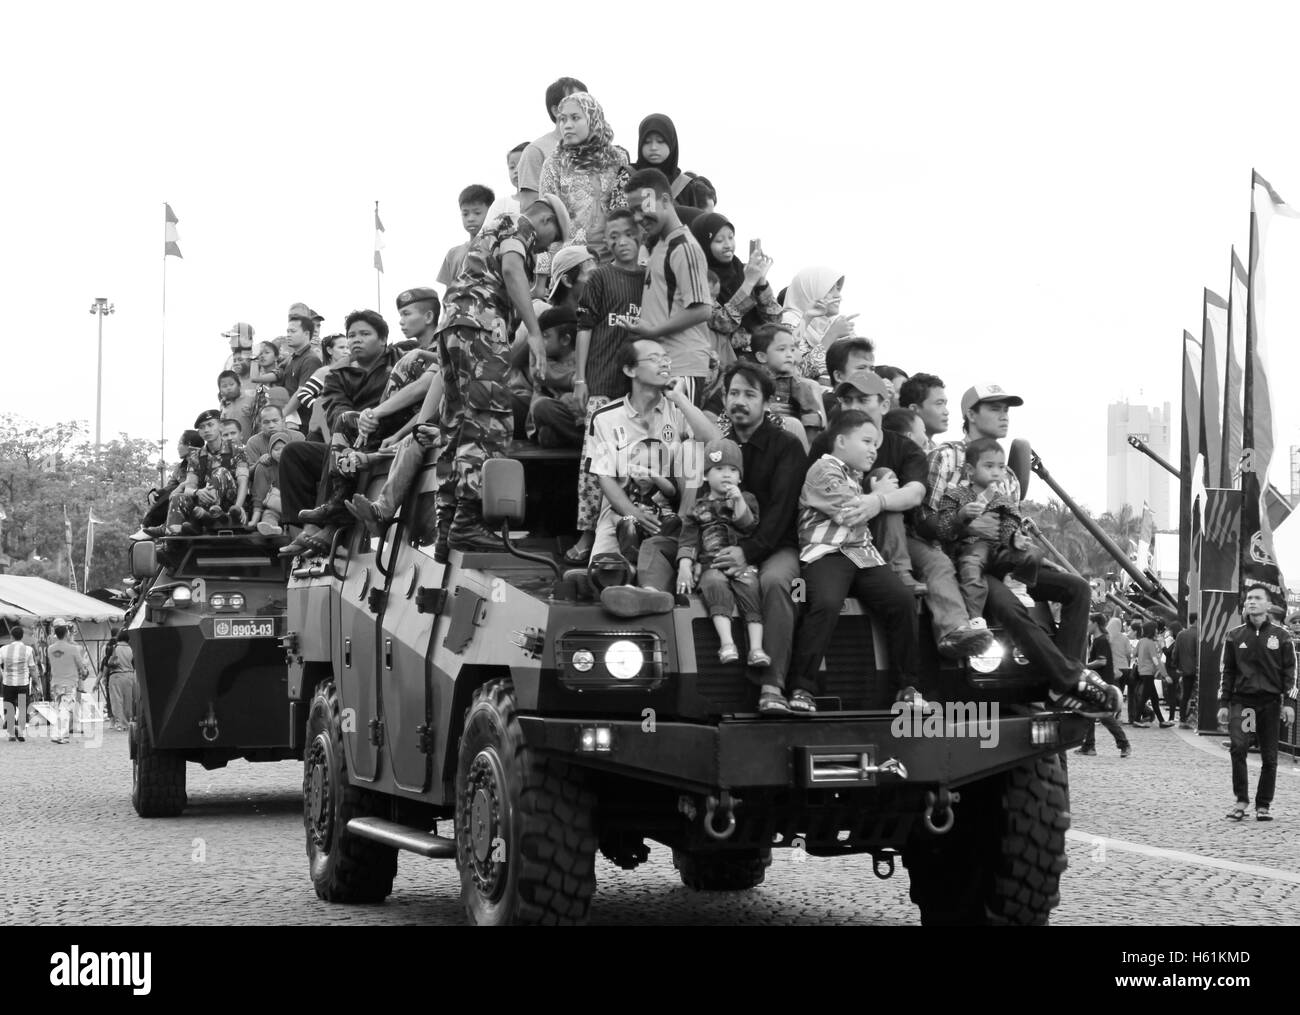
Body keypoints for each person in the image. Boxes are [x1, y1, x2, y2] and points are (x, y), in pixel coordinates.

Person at [920, 384, 1117, 716]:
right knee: (1012, 608)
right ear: (970, 415)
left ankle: (1059, 686)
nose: (1004, 416)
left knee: (1077, 588)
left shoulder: (1009, 475)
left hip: (1003, 559)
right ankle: (1072, 679)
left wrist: (1019, 539)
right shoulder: (946, 456)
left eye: (1006, 410)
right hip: (963, 560)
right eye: (995, 408)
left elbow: (1010, 521)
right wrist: (965, 526)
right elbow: (926, 520)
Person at [432, 201, 568, 556]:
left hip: (454, 327)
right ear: (545, 219)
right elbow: (511, 268)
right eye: (553, 237)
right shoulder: (517, 226)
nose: (547, 247)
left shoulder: (490, 232)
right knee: (489, 421)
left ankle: (447, 524)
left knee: (457, 423)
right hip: (482, 326)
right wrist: (535, 333)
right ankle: (468, 522)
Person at [789, 411, 921, 716]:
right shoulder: (822, 469)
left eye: (875, 443)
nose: (873, 449)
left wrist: (875, 496)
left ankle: (908, 686)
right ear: (841, 441)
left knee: (902, 601)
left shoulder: (854, 475)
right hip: (826, 552)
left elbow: (864, 509)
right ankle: (802, 687)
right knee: (825, 602)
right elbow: (850, 512)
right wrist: (880, 495)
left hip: (862, 554)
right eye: (866, 441)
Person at [586, 339, 722, 609]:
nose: (664, 363)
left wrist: (680, 398)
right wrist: (634, 514)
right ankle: (635, 580)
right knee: (602, 578)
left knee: (691, 449)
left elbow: (718, 447)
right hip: (622, 512)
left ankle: (684, 533)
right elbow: (604, 478)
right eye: (654, 358)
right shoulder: (605, 417)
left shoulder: (678, 408)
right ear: (630, 370)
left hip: (674, 511)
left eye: (665, 358)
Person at [565, 209, 645, 565]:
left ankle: (619, 539)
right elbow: (585, 327)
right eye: (613, 236)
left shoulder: (650, 280)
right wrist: (580, 378)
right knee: (594, 464)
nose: (621, 242)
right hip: (600, 381)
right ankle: (586, 534)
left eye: (628, 234)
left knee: (634, 464)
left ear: (639, 236)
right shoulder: (600, 277)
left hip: (638, 388)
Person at [624, 168, 713, 403]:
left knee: (683, 438)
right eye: (633, 211)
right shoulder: (662, 245)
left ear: (664, 200)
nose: (637, 218)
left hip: (683, 365)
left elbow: (703, 309)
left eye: (642, 208)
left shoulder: (684, 247)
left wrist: (653, 331)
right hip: (663, 364)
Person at [675, 438, 766, 666]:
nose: (727, 474)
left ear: (740, 477)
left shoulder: (747, 499)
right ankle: (727, 643)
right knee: (714, 584)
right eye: (719, 469)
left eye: (733, 470)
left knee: (752, 586)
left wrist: (738, 503)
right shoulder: (698, 507)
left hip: (742, 564)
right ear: (706, 475)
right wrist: (685, 564)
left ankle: (756, 648)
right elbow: (688, 539)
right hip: (711, 564)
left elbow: (749, 526)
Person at [933, 438, 1043, 619]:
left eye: (1001, 467)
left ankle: (1017, 583)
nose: (996, 472)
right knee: (971, 568)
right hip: (972, 547)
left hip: (999, 548)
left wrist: (1016, 538)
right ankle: (975, 616)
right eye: (989, 466)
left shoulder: (1002, 499)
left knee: (1034, 552)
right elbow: (943, 528)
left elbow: (1009, 524)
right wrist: (961, 516)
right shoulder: (955, 496)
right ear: (970, 470)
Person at [1219, 586, 1297, 821]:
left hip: (1271, 704)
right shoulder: (1235, 635)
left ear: (1267, 604)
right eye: (1249, 599)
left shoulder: (1282, 636)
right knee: (1239, 748)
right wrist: (1224, 702)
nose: (1252, 602)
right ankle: (1241, 800)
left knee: (1270, 757)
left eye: (1257, 598)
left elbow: (1291, 673)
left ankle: (1263, 805)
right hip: (1244, 704)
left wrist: (1290, 703)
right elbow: (1228, 671)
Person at [538, 92, 630, 263]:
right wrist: (542, 278)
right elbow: (546, 225)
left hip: (614, 262)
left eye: (575, 118)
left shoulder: (618, 159)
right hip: (571, 265)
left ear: (593, 119)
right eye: (563, 119)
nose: (567, 125)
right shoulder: (554, 164)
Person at [688, 213, 781, 360]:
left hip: (760, 357)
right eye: (719, 240)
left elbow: (774, 321)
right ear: (703, 244)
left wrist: (760, 283)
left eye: (731, 237)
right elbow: (722, 322)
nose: (728, 245)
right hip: (727, 361)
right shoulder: (700, 278)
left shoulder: (743, 270)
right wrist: (748, 284)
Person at [165, 409, 250, 534]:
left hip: (230, 503)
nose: (206, 430)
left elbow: (243, 482)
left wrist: (238, 507)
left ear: (220, 426)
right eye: (202, 427)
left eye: (210, 425)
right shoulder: (195, 457)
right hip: (203, 503)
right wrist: (197, 492)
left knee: (220, 471)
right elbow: (189, 488)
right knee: (178, 497)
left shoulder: (237, 451)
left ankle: (205, 516)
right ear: (199, 432)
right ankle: (173, 539)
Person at [516, 76, 589, 209]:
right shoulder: (536, 151)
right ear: (556, 110)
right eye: (576, 101)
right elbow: (531, 209)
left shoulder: (600, 149)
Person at [749, 324, 826, 439]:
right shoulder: (749, 380)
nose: (790, 355)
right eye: (782, 349)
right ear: (762, 357)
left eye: (792, 349)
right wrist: (766, 410)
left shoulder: (797, 384)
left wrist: (806, 447)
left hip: (787, 441)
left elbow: (811, 417)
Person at [781, 267, 858, 381]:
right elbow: (795, 371)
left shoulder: (833, 324)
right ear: (810, 291)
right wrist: (832, 335)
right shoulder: (790, 322)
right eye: (830, 290)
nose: (838, 296)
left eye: (838, 289)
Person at [1077, 614, 1132, 758]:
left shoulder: (1100, 641)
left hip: (1102, 683)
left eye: (1088, 622)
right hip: (1098, 682)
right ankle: (1089, 746)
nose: (1087, 625)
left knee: (1105, 716)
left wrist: (1084, 666)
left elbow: (1102, 661)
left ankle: (1124, 744)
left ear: (1095, 624)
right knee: (1089, 712)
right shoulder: (1099, 639)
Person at [632, 113, 714, 209]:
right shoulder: (628, 176)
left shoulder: (684, 186)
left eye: (660, 141)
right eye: (647, 142)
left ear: (671, 143)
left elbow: (692, 222)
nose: (653, 147)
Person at [285, 332, 350, 440]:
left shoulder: (351, 371)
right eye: (341, 347)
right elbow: (303, 394)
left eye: (348, 347)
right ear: (329, 350)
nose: (346, 351)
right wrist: (323, 407)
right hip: (322, 431)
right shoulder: (325, 371)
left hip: (343, 428)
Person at [139, 430, 206, 533]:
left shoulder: (204, 461)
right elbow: (169, 487)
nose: (177, 447)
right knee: (161, 493)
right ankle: (147, 525)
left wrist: (181, 486)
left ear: (189, 445)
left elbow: (198, 484)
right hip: (175, 500)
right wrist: (154, 493)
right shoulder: (180, 468)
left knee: (175, 492)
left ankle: (148, 524)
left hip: (194, 500)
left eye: (179, 443)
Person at [438, 185, 496, 289]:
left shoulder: (497, 250)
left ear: (491, 212)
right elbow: (449, 292)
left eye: (477, 213)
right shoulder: (453, 254)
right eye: (465, 214)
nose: (470, 219)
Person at [46, 624, 90, 744]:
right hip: (69, 682)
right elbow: (81, 666)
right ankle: (62, 735)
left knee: (58, 708)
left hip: (55, 682)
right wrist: (84, 672)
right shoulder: (73, 649)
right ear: (67, 634)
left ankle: (56, 733)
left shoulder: (50, 649)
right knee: (65, 709)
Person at [1131, 620, 1175, 728]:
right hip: (1148, 674)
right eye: (1155, 629)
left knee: (1154, 698)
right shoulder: (1150, 643)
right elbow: (1156, 661)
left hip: (1142, 672)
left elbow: (1134, 654)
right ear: (1152, 630)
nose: (1157, 630)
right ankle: (1136, 720)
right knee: (1145, 697)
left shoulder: (1141, 641)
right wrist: (1166, 675)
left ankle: (1161, 721)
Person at [821, 337, 877, 419]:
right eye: (861, 368)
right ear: (838, 376)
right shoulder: (829, 406)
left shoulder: (875, 401)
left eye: (872, 369)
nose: (869, 374)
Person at [249, 430, 290, 535]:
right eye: (276, 449)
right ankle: (271, 528)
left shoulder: (297, 465)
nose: (280, 452)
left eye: (284, 448)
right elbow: (259, 495)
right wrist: (254, 520)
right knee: (268, 515)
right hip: (273, 507)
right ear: (270, 451)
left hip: (294, 507)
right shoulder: (264, 466)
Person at [898, 372, 950, 451]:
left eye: (945, 404)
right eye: (939, 403)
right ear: (913, 409)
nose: (946, 412)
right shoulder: (898, 450)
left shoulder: (942, 452)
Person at [2, 626, 37, 743]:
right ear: (22, 636)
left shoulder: (3, 649)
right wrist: (37, 682)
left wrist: (2, 675)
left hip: (8, 683)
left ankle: (11, 733)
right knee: (22, 707)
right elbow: (32, 668)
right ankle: (20, 730)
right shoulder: (28, 650)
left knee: (9, 706)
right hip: (23, 683)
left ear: (11, 636)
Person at [1171, 612, 1200, 728]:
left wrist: (1177, 667)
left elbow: (1175, 653)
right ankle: (1194, 717)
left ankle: (1183, 719)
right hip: (1198, 670)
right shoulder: (1200, 634)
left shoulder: (1181, 634)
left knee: (1185, 695)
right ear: (1197, 620)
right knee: (1197, 695)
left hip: (1185, 670)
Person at [105, 631, 136, 733]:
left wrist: (104, 677)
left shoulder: (114, 648)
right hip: (129, 676)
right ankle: (126, 723)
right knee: (128, 700)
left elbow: (106, 663)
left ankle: (119, 723)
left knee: (117, 700)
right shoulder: (132, 648)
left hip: (116, 675)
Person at [217, 369, 257, 441]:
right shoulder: (223, 405)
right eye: (224, 386)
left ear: (239, 385)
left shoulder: (251, 399)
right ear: (220, 390)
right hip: (231, 445)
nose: (228, 388)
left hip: (250, 445)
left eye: (232, 384)